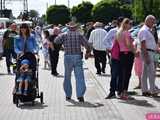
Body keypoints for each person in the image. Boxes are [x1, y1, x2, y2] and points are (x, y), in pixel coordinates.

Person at [54, 21, 91, 102]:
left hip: (67, 57)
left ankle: (68, 95)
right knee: (79, 77)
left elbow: (56, 41)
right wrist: (88, 53)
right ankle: (80, 95)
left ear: (68, 28)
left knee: (67, 76)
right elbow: (87, 45)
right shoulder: (79, 35)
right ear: (76, 28)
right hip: (77, 56)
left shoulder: (64, 35)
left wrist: (62, 41)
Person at [103, 17, 124, 99]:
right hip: (115, 55)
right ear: (119, 23)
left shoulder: (126, 31)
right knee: (114, 74)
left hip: (123, 55)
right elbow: (105, 40)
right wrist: (111, 48)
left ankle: (120, 91)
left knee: (122, 74)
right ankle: (112, 92)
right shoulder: (113, 31)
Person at [138, 15, 158, 97]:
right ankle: (152, 91)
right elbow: (143, 44)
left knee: (145, 73)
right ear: (148, 21)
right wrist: (146, 56)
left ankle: (145, 90)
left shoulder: (147, 30)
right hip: (148, 52)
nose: (153, 24)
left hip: (151, 52)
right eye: (153, 22)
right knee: (151, 73)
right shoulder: (144, 30)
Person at [116, 18, 135, 100]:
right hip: (127, 54)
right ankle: (124, 92)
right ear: (126, 24)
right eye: (130, 24)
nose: (131, 25)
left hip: (121, 54)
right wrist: (135, 51)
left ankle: (120, 92)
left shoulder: (119, 32)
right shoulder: (126, 33)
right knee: (127, 74)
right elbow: (128, 45)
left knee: (121, 74)